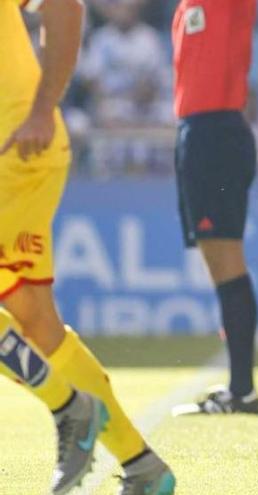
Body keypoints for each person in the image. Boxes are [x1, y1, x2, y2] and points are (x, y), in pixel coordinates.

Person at [0, 1, 175, 493]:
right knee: (34, 320)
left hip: (17, 146)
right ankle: (142, 465)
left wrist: (41, 109)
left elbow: (64, 6)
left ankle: (68, 406)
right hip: (20, 154)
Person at [170, 0, 258, 415]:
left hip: (216, 132)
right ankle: (240, 388)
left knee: (226, 260)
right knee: (218, 260)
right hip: (197, 132)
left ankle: (242, 391)